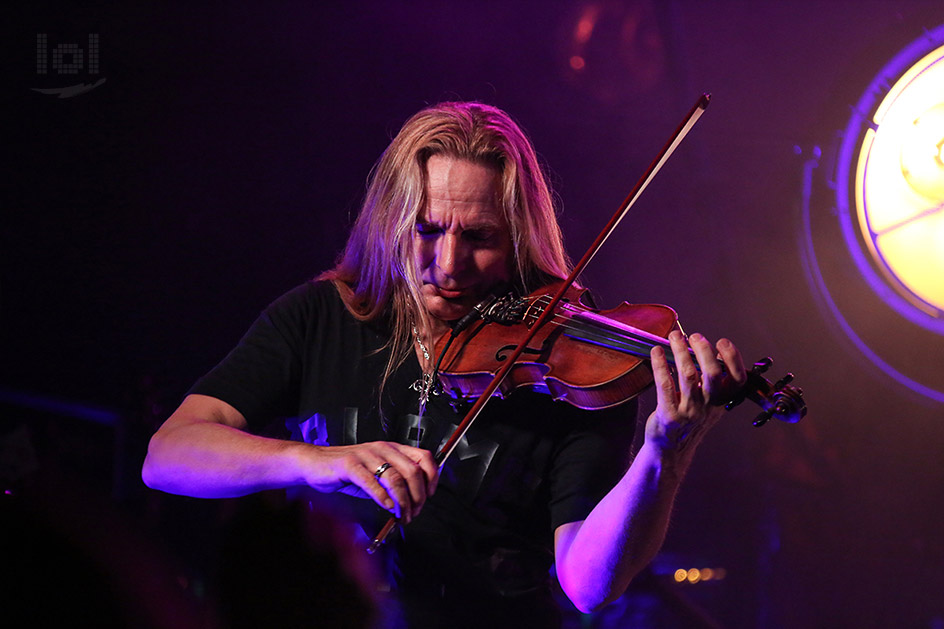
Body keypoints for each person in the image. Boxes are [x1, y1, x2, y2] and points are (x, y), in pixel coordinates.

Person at [142, 101, 746, 627]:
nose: (448, 264)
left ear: (518, 238)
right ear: (390, 221)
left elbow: (588, 585)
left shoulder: (575, 363)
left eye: (480, 237)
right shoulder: (322, 316)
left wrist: (665, 453)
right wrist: (314, 461)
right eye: (426, 229)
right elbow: (167, 456)